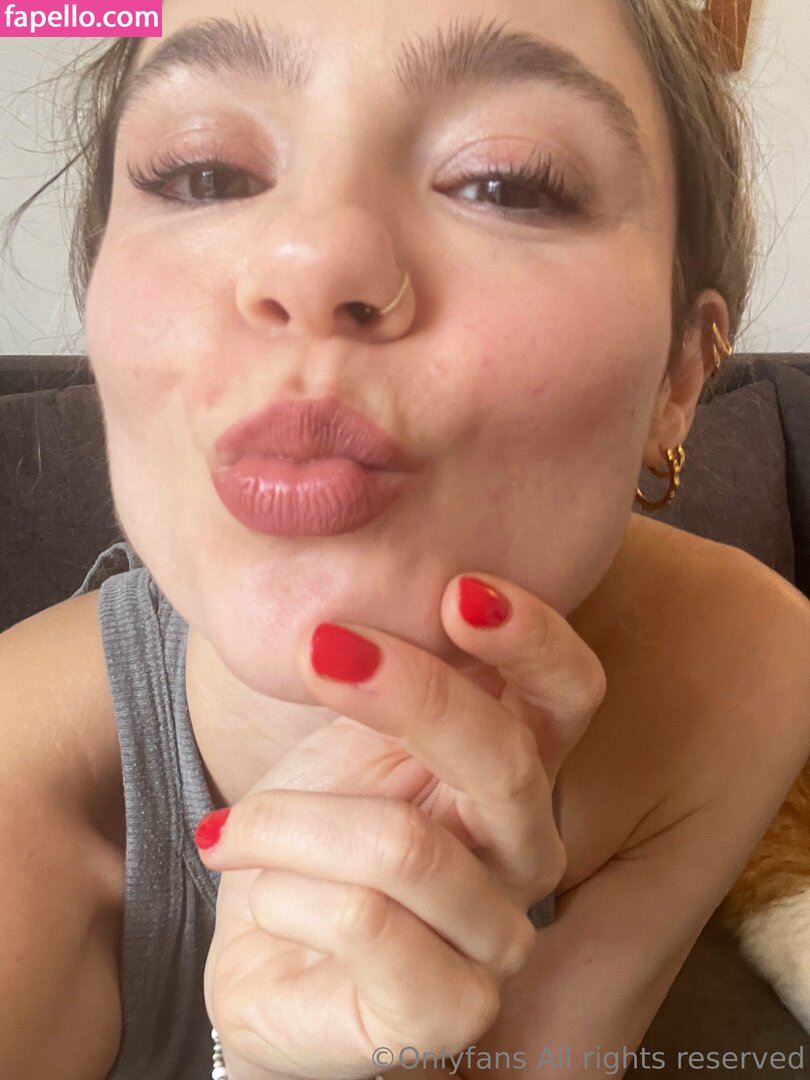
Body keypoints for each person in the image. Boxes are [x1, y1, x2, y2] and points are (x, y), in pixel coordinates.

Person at [2, 1, 810, 1078]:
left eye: (505, 181)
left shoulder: (750, 667)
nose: (308, 258)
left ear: (681, 377)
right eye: (204, 174)